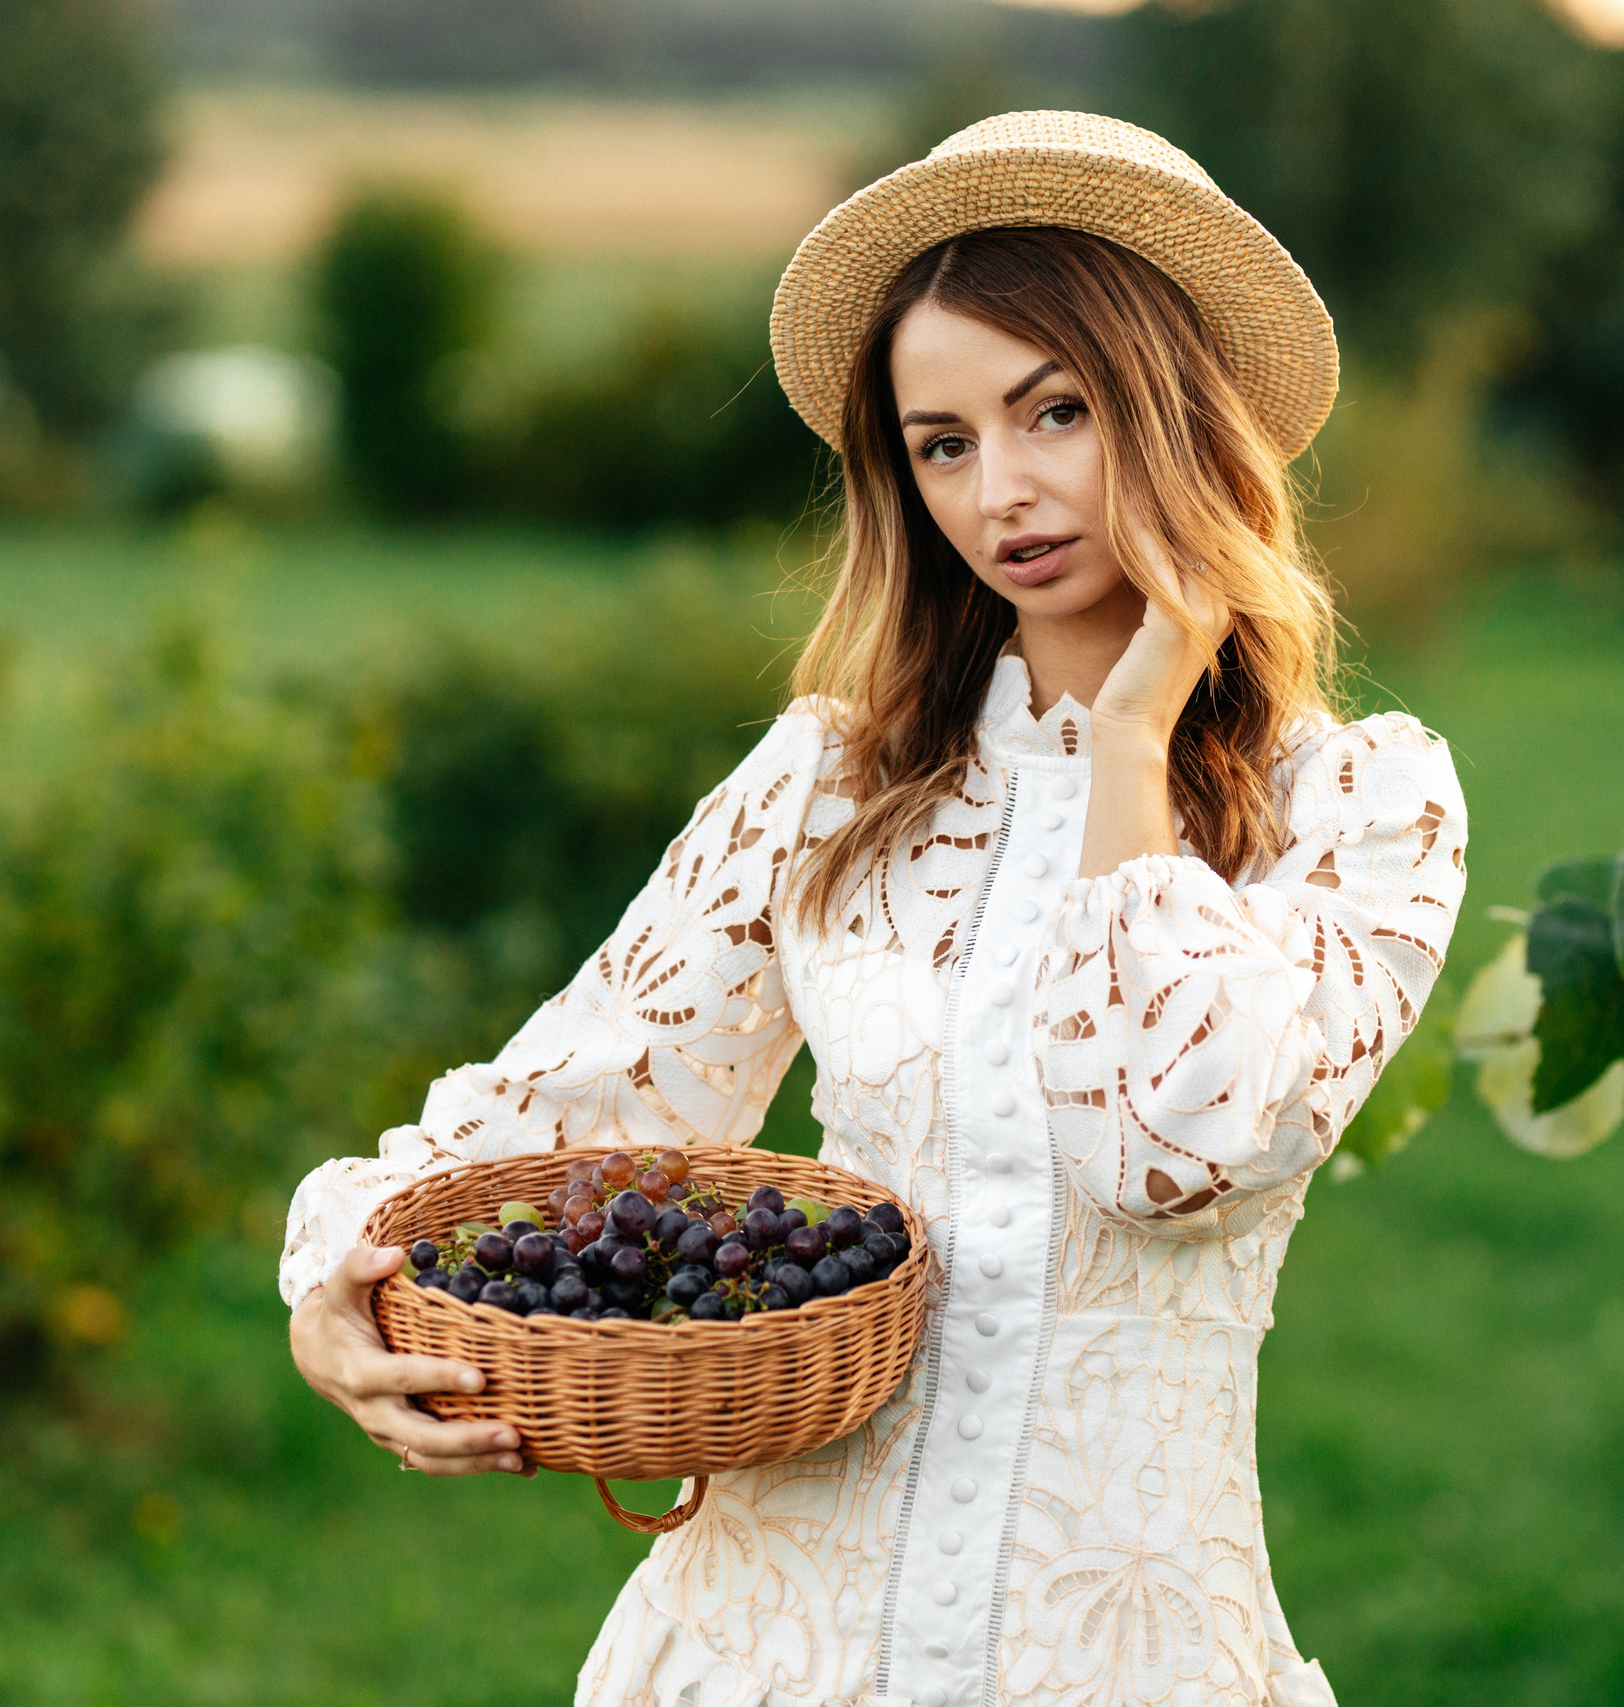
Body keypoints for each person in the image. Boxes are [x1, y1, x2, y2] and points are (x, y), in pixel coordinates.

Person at [281, 111, 1467, 1707]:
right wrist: (333, 1280)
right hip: (766, 1649)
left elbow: (1183, 1152)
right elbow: (584, 1102)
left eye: (1059, 411)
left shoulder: (1364, 808)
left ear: (1178, 413)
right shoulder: (833, 784)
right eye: (945, 442)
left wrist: (1127, 745)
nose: (1004, 491)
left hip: (1131, 1660)